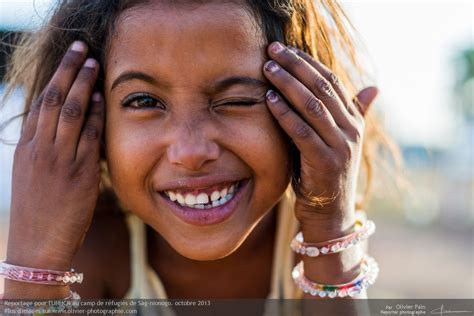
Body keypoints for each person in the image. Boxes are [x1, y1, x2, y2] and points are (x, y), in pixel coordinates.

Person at [0, 0, 396, 304]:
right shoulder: (97, 251)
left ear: (306, 110)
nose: (191, 152)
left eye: (238, 100)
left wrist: (330, 227)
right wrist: (36, 260)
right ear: (93, 123)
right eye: (143, 101)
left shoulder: (316, 235)